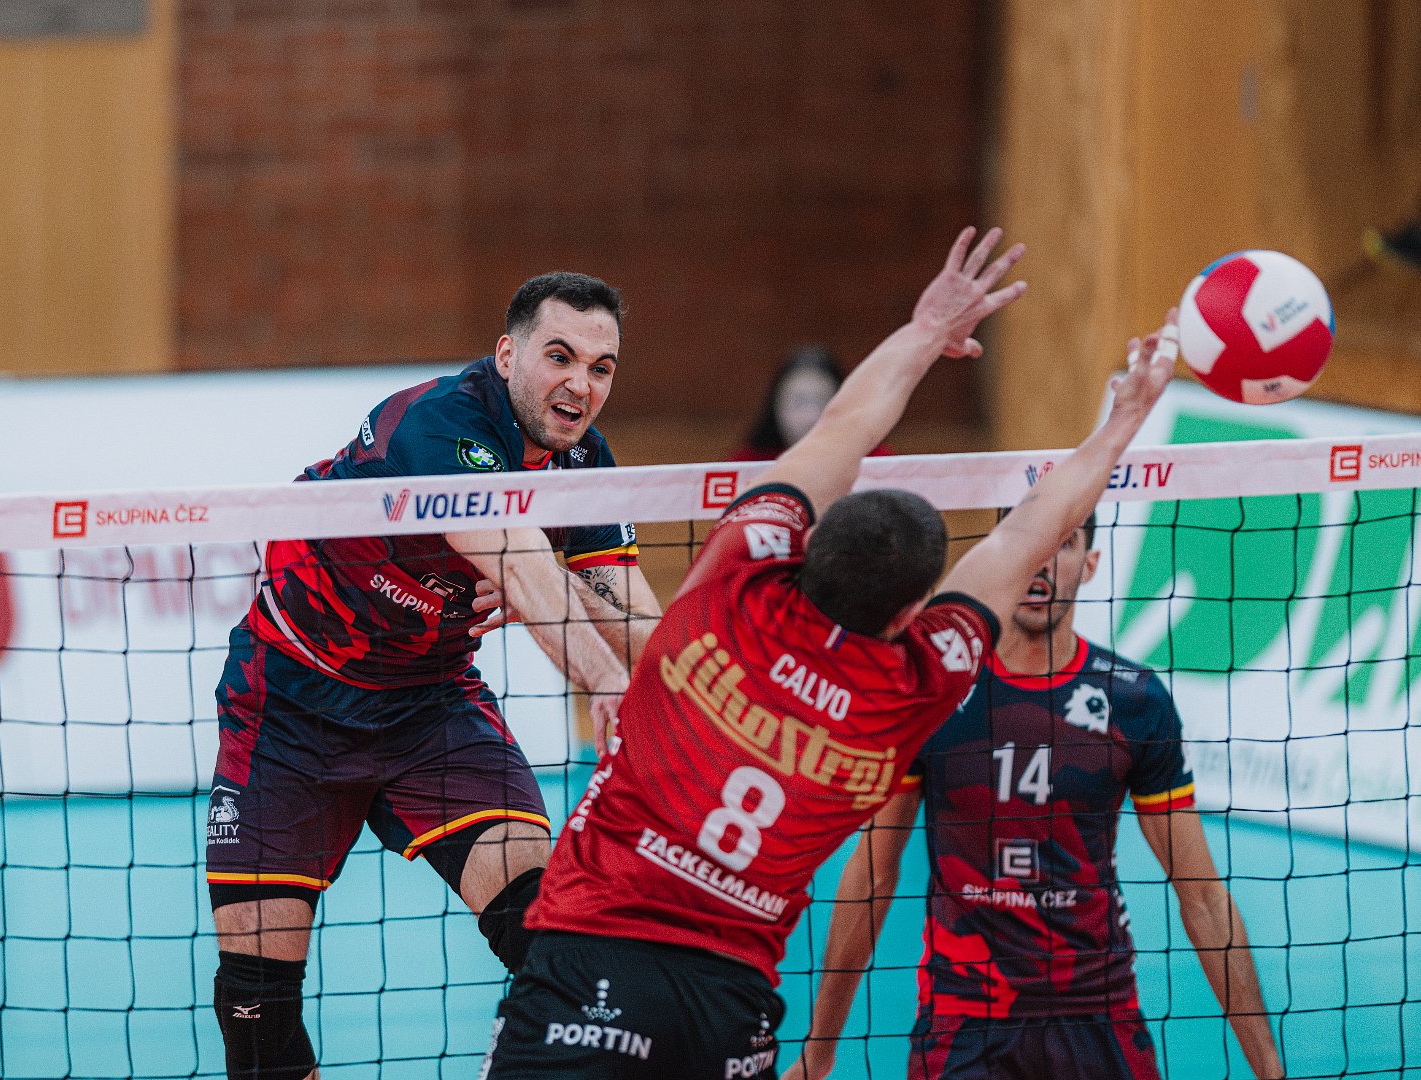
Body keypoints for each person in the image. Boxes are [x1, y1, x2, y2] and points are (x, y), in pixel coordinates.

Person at [481, 226, 1181, 1079]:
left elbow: (846, 424)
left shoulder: (731, 585)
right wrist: (1125, 420)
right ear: (916, 612)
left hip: (588, 955)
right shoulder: (917, 686)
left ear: (804, 546)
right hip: (730, 1005)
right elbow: (1028, 534)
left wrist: (927, 332)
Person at [206, 272, 662, 1080]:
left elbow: (635, 620)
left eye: (601, 368)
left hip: (430, 709)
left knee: (551, 938)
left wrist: (690, 692)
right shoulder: (436, 425)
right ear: (507, 355)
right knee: (257, 1015)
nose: (580, 385)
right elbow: (513, 554)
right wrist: (602, 681)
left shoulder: (585, 466)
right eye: (560, 357)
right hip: (290, 703)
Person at [785, 507, 1285, 1080]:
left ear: (1090, 564)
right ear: (999, 556)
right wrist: (819, 1053)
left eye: (1064, 543)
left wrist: (1269, 1071)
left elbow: (1203, 897)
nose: (1043, 561)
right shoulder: (935, 690)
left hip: (1097, 1011)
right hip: (964, 1018)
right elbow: (872, 876)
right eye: (1029, 539)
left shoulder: (1134, 702)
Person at [732, 345, 893, 461]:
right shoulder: (746, 463)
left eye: (823, 402)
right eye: (799, 403)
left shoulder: (874, 460)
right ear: (775, 407)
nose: (811, 416)